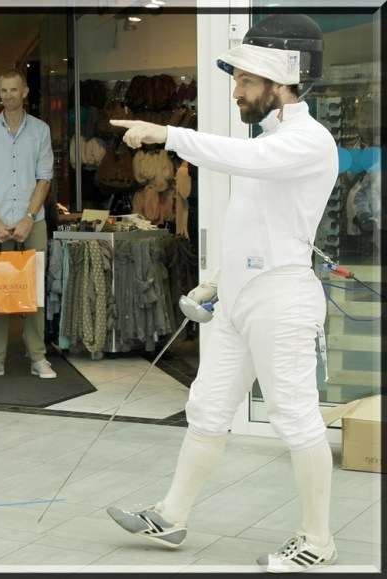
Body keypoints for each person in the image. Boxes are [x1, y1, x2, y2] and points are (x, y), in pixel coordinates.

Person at [105, 14, 339, 573]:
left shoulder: (307, 140)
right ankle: (171, 513)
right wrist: (219, 280)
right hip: (239, 297)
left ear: (282, 77)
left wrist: (166, 134)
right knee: (207, 409)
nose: (236, 89)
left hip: (281, 300)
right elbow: (255, 223)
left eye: (245, 80)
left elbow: (244, 160)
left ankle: (319, 539)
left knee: (295, 418)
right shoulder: (274, 136)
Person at [0, 68, 56, 380]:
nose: (8, 96)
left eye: (13, 90)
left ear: (25, 92)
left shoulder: (41, 130)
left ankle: (37, 356)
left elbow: (44, 176)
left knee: (33, 288)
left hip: (32, 220)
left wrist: (29, 217)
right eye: (3, 90)